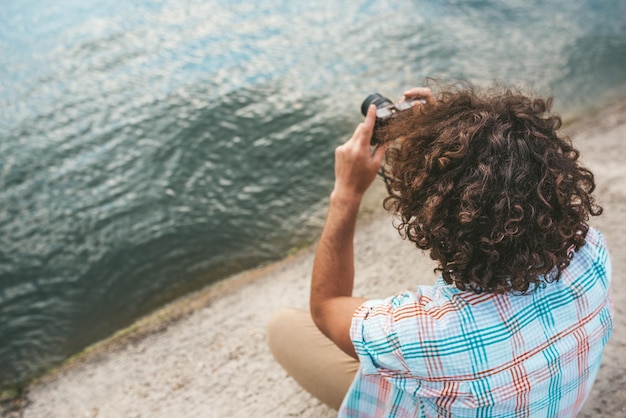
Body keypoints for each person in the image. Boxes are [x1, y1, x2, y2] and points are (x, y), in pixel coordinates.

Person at [267, 83, 613, 417]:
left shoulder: (425, 334)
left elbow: (327, 306)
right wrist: (444, 131)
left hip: (437, 367)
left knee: (283, 327)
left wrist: (346, 194)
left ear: (436, 219)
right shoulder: (592, 253)